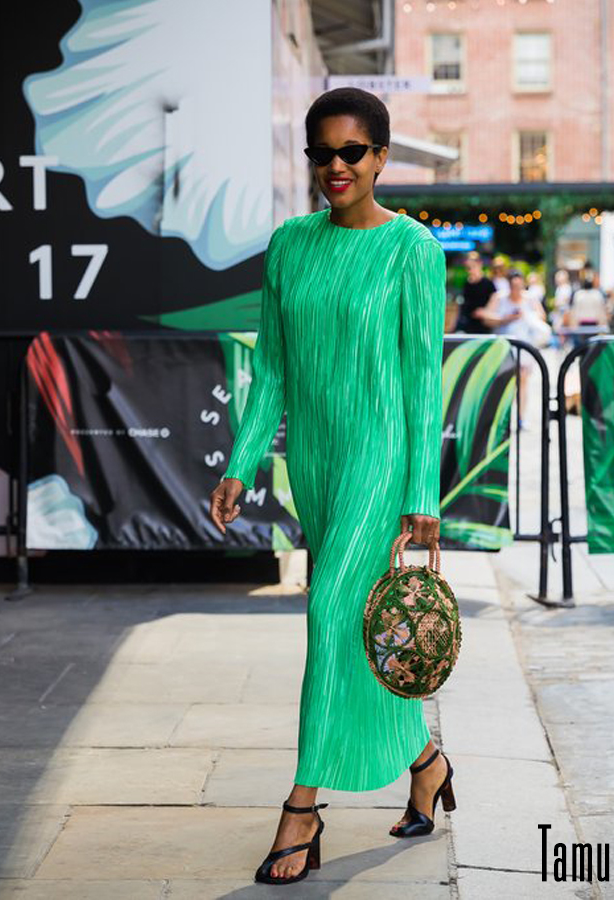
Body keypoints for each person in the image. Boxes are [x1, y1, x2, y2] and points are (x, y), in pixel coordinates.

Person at [208, 87, 454, 885]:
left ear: (381, 157)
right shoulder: (289, 244)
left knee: (327, 614)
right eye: (323, 152)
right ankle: (426, 761)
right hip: (317, 461)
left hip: (381, 461)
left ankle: (302, 808)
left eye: (353, 152)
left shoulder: (412, 249)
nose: (337, 166)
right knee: (352, 627)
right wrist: (241, 462)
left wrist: (422, 494)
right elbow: (273, 370)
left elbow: (422, 380)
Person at [473, 270, 547, 424]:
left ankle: (521, 417)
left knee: (523, 381)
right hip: (504, 348)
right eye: (513, 286)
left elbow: (542, 317)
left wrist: (527, 316)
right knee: (504, 383)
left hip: (525, 347)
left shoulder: (530, 298)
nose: (516, 289)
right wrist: (506, 319)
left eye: (519, 286)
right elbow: (486, 317)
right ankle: (502, 419)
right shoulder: (499, 297)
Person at [456, 252, 495, 333]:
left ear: (480, 264)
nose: (470, 270)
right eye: (468, 268)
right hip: (468, 325)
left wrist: (485, 311)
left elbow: (495, 301)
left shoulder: (488, 283)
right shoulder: (467, 284)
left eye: (473, 266)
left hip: (483, 325)